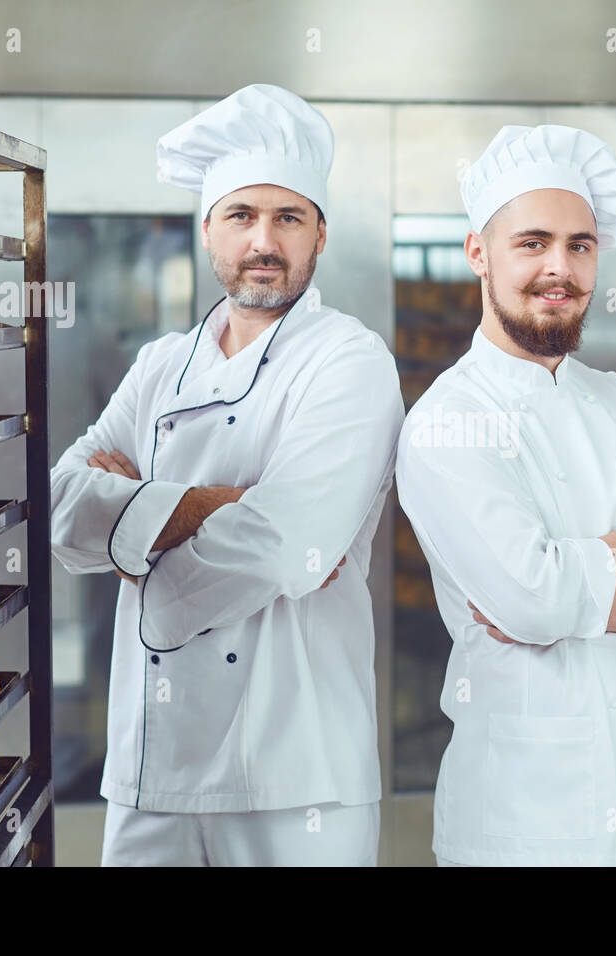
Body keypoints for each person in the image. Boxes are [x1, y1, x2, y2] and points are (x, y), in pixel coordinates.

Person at [48, 84, 403, 866]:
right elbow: (63, 509)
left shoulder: (350, 362)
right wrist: (222, 504)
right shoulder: (159, 365)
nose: (263, 241)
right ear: (208, 230)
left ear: (319, 236)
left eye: (289, 218)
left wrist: (133, 537)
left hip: (297, 773)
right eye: (241, 216)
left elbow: (284, 544)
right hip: (149, 767)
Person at [395, 124, 616, 866]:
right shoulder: (446, 424)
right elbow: (534, 602)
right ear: (478, 254)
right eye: (533, 243)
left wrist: (567, 597)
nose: (561, 268)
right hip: (522, 825)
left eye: (580, 245)